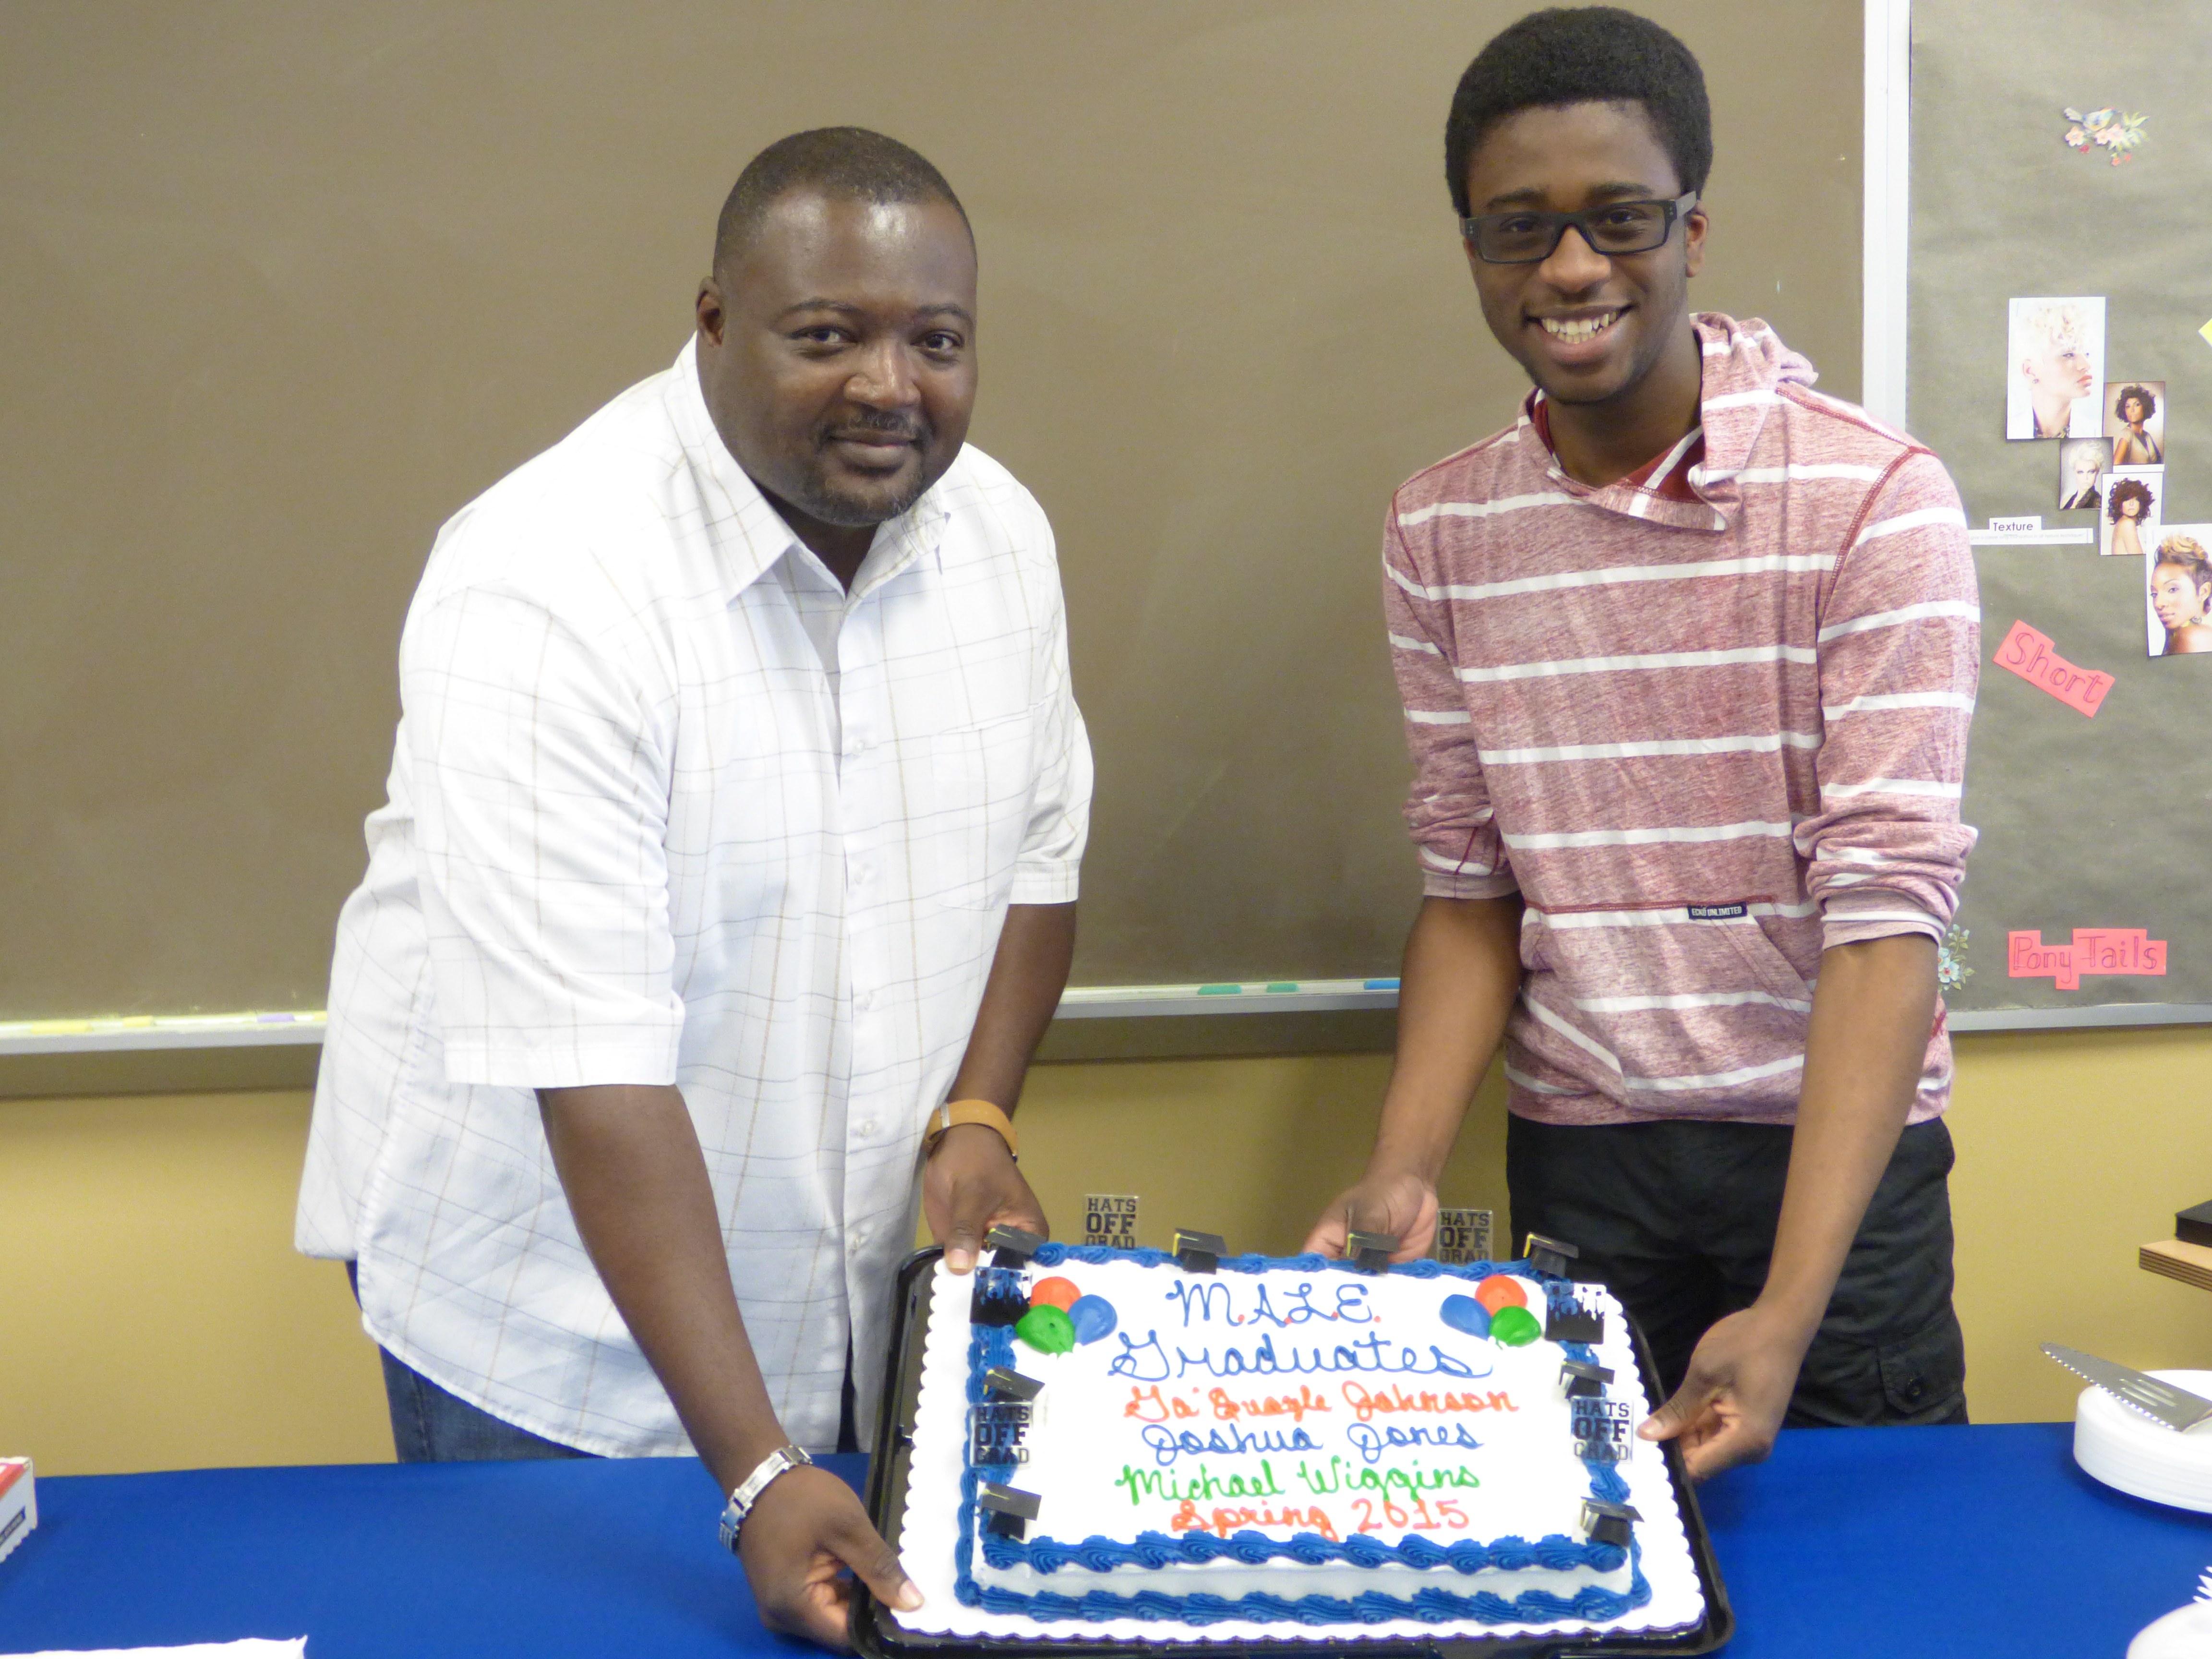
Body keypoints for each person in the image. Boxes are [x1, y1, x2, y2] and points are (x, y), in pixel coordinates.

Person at [295, 127, 1092, 1647]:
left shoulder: (998, 536)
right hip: (554, 1341)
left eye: (936, 339)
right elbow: (591, 1069)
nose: (890, 385)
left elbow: (1039, 859)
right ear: (713, 321)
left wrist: (976, 1114)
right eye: (826, 334)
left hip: (854, 1301)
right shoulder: (546, 584)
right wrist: (757, 1468)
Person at [1304, 6, 1978, 1482]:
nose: (1568, 269)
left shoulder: (1874, 500)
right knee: (1571, 1553)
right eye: (1517, 229)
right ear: (1472, 245)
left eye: (1619, 219)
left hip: (1827, 1175)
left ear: (1692, 228)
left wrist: (1791, 1307)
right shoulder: (1442, 526)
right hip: (1581, 1162)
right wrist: (1404, 1168)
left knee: (1864, 1579)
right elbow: (1473, 885)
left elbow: (1886, 918)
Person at [2016, 301, 2095, 439]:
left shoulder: (2097, 433)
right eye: (2068, 354)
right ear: (2030, 371)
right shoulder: (2008, 431)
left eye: (2086, 354)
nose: (2086, 365)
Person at [2151, 536, 2212, 655]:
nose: (2158, 604)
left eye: (2173, 589)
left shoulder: (2193, 636)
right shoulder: (2182, 633)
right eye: (2154, 594)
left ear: (2204, 592)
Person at [2111, 384, 2163, 465]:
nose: (2132, 410)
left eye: (2137, 405)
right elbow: (2115, 465)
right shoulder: (2127, 435)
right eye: (2128, 407)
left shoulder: (2147, 436)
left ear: (2145, 407)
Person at [2108, 475, 2155, 561]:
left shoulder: (2124, 523)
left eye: (2136, 499)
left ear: (2142, 503)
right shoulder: (2127, 524)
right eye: (2127, 499)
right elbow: (2139, 562)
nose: (2132, 504)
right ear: (2120, 503)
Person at [2057, 440, 2104, 511]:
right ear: (2075, 472)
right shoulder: (2066, 501)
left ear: (2098, 472)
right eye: (2081, 472)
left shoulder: (2100, 502)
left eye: (2091, 472)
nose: (2086, 478)